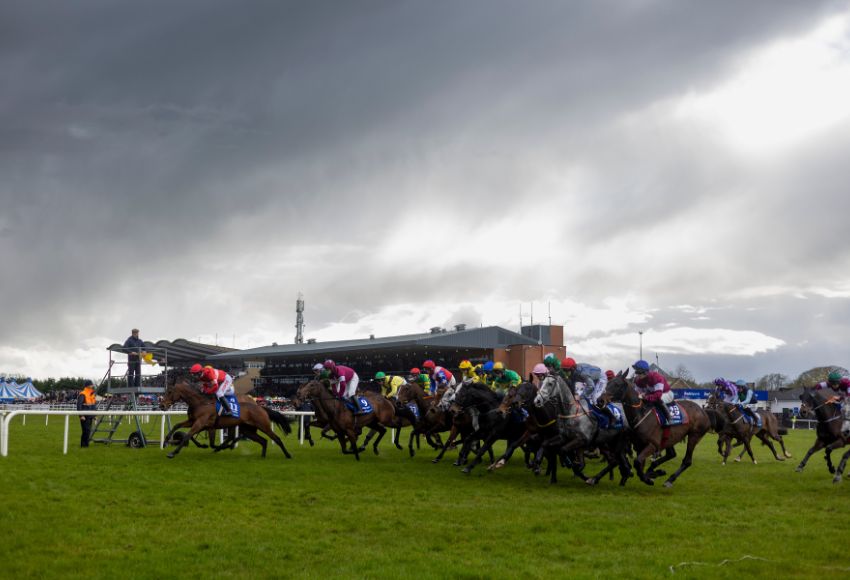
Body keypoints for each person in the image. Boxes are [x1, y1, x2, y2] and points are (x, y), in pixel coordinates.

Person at [77, 380, 97, 448]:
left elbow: (93, 405)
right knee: (85, 431)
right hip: (84, 416)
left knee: (88, 431)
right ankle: (83, 445)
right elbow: (79, 405)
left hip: (90, 415)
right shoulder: (83, 394)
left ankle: (86, 445)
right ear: (88, 385)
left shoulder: (92, 394)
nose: (92, 386)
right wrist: (81, 415)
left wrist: (94, 415)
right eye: (91, 385)